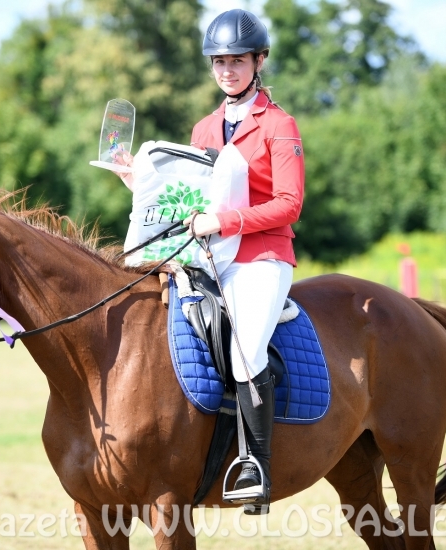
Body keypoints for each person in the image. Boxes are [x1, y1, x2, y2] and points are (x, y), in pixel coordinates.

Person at [115, 9, 304, 511]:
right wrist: (142, 185)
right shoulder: (203, 129)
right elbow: (188, 197)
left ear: (259, 60)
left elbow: (290, 203)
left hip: (261, 256)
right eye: (219, 61)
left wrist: (225, 221)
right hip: (206, 257)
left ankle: (256, 465)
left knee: (244, 348)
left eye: (237, 61)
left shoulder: (279, 125)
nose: (226, 70)